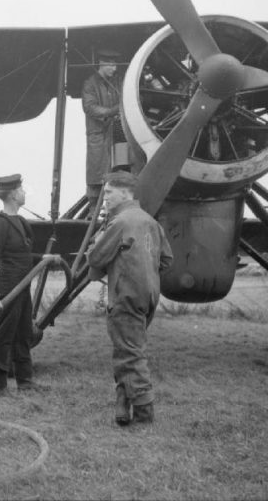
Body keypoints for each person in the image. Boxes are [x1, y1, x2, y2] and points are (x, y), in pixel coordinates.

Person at [86, 171, 173, 426]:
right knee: (129, 348)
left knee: (129, 354)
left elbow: (95, 259)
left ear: (125, 193)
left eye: (109, 193)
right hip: (148, 296)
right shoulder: (150, 221)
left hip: (125, 296)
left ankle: (145, 415)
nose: (104, 199)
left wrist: (99, 244)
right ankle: (122, 410)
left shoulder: (121, 222)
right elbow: (167, 260)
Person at [0, 174, 48, 400]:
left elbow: (23, 255)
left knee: (23, 334)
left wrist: (45, 257)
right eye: (21, 190)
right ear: (12, 194)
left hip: (23, 285)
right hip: (9, 286)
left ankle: (25, 382)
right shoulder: (0, 223)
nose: (24, 193)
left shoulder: (20, 222)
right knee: (4, 336)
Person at [81, 47, 130, 216]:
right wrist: (114, 110)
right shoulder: (90, 84)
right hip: (99, 134)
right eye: (111, 65)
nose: (115, 68)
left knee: (121, 168)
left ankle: (117, 208)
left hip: (117, 133)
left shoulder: (118, 81)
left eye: (116, 65)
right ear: (102, 64)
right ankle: (94, 210)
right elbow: (90, 108)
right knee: (96, 174)